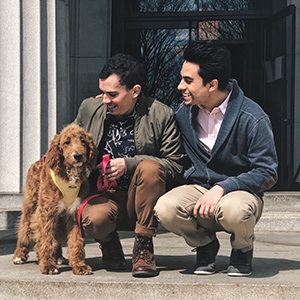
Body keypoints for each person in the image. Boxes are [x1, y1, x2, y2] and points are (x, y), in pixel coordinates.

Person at [154, 40, 278, 277]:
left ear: (212, 84)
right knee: (165, 208)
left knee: (235, 210)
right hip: (199, 190)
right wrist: (110, 106)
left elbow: (267, 171)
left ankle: (242, 249)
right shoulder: (183, 114)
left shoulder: (252, 118)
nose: (180, 86)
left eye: (188, 80)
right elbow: (154, 124)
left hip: (240, 193)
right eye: (182, 78)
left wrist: (223, 187)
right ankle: (205, 246)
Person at [74, 53, 186, 277]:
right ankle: (108, 242)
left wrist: (130, 164)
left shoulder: (161, 114)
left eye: (112, 94)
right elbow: (70, 147)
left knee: (151, 168)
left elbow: (176, 165)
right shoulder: (90, 109)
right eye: (103, 92)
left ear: (135, 91)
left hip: (142, 198)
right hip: (102, 196)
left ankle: (143, 247)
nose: (105, 100)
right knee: (95, 219)